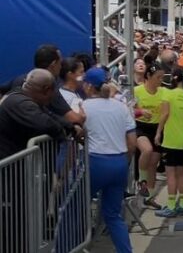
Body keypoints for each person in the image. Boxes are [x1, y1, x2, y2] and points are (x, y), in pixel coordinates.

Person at [80, 68, 136, 253]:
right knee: (113, 215)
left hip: (95, 161)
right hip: (119, 162)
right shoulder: (121, 106)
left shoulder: (83, 107)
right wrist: (125, 161)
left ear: (88, 86)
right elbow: (132, 141)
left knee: (73, 208)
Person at [154, 69, 183, 217]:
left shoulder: (168, 94)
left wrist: (159, 132)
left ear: (174, 78)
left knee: (170, 174)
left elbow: (165, 114)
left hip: (171, 139)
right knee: (181, 173)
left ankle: (172, 206)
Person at [0, 69, 68, 159]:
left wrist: (71, 128)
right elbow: (47, 124)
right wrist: (62, 134)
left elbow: (49, 115)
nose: (52, 99)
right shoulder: (20, 102)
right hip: (9, 166)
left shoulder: (22, 97)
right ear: (46, 90)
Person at [133, 64, 166, 208]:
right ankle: (141, 180)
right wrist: (141, 112)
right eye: (158, 77)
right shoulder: (137, 91)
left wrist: (159, 132)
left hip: (157, 128)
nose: (161, 80)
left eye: (162, 77)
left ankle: (150, 197)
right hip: (140, 127)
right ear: (148, 76)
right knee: (147, 150)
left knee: (153, 163)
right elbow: (126, 110)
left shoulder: (163, 92)